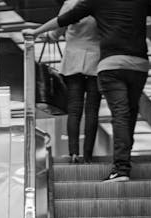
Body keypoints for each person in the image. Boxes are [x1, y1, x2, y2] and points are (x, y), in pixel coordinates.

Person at [31, 0, 151, 182]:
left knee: (79, 109)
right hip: (116, 62)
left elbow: (62, 22)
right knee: (103, 111)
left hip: (96, 63)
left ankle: (85, 157)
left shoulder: (88, 2)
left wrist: (37, 33)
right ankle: (94, 157)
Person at [56, 0, 101, 163]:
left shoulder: (71, 4)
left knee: (74, 109)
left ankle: (73, 153)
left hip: (73, 62)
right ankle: (88, 155)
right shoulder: (102, 5)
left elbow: (56, 31)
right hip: (96, 61)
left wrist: (45, 34)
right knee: (92, 111)